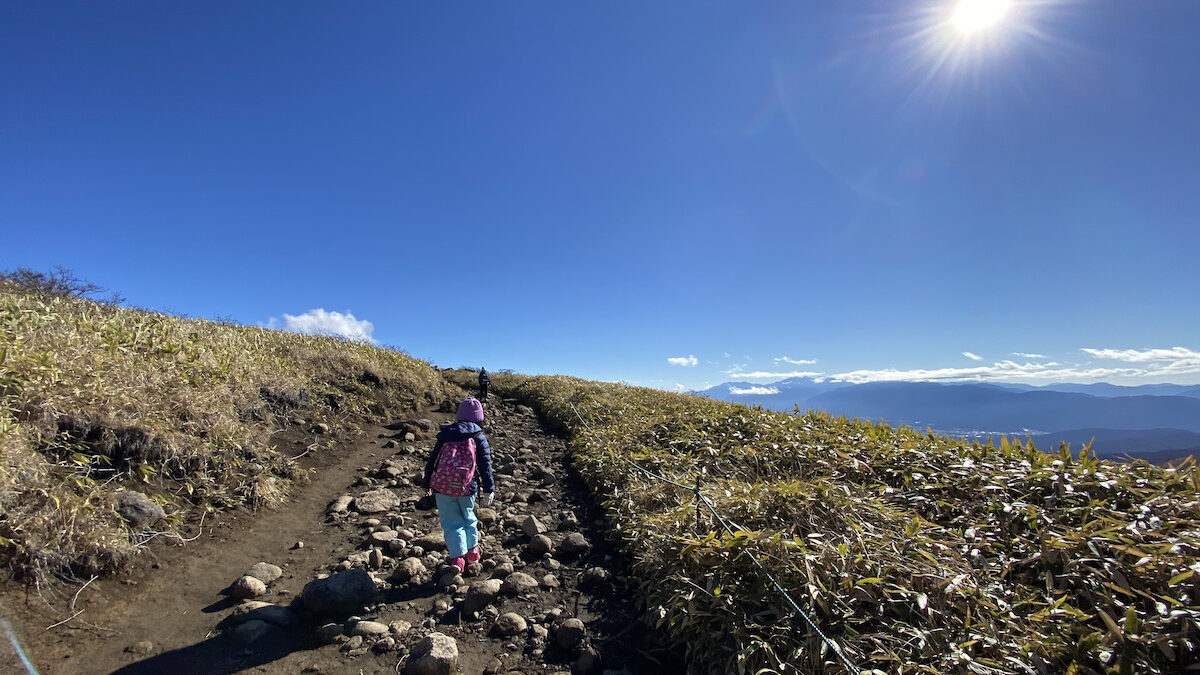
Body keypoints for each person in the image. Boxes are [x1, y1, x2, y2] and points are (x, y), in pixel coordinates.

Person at [422, 398, 495, 572]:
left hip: (443, 487)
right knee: (469, 518)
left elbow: (432, 460)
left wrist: (427, 482)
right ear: (479, 418)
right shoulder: (478, 436)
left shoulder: (446, 434)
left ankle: (457, 560)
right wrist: (489, 489)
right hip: (467, 486)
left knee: (451, 523)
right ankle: (472, 553)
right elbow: (485, 465)